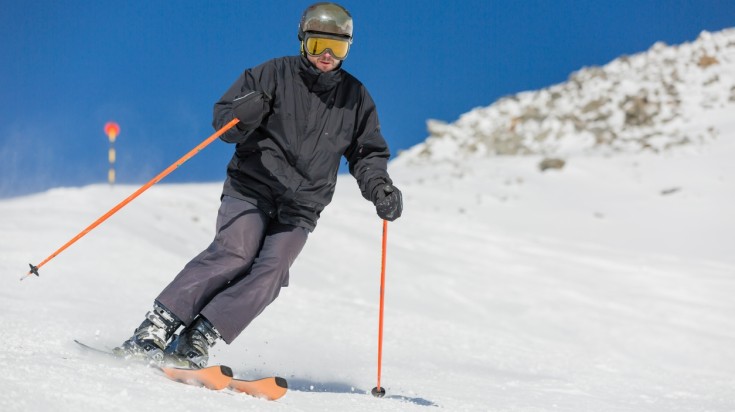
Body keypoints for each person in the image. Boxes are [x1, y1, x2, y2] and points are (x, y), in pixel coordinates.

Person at [114, 2, 403, 369]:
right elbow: (225, 121)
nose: (327, 56)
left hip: (300, 207)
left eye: (338, 48)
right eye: (318, 46)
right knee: (236, 252)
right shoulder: (273, 74)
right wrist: (243, 114)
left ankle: (197, 338)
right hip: (253, 186)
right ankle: (155, 328)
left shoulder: (356, 98)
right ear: (303, 42)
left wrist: (380, 188)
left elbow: (367, 154)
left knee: (271, 272)